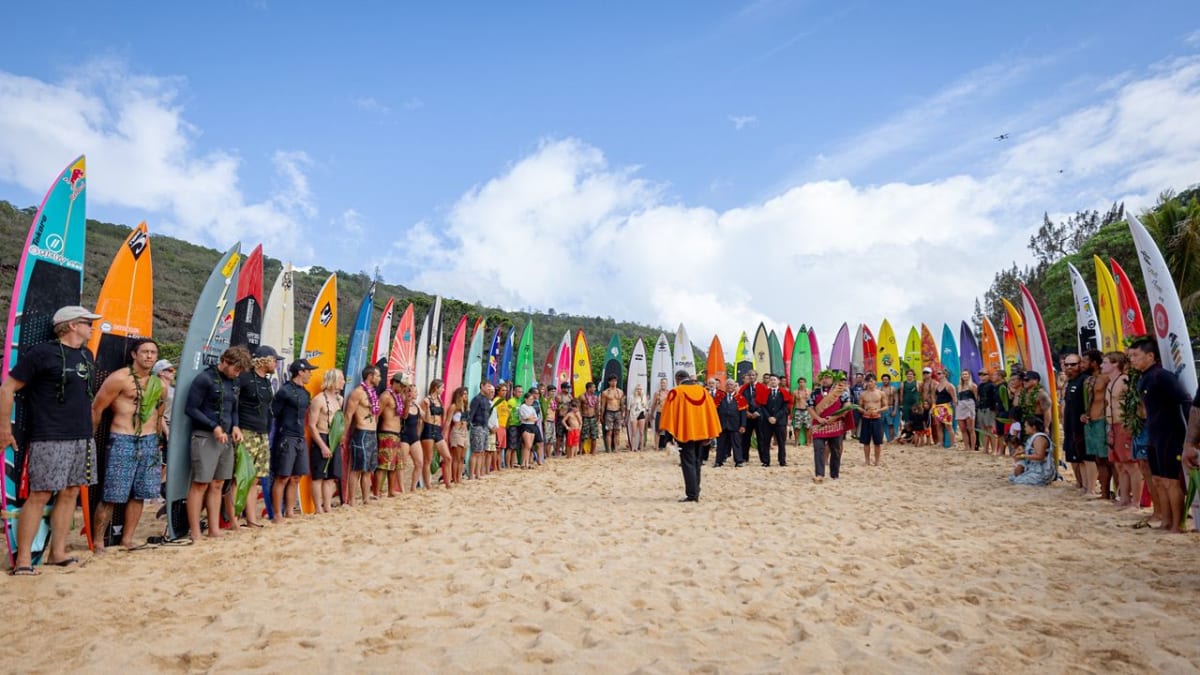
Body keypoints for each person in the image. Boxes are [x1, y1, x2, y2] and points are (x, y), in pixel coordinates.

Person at [0, 306, 101, 573]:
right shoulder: (42, 353)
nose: (92, 326)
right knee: (40, 494)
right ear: (70, 326)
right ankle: (23, 559)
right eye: (87, 322)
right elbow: (8, 387)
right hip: (49, 434)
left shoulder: (86, 354)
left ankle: (57, 552)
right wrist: (4, 429)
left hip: (81, 436)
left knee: (70, 493)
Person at [90, 337, 165, 552]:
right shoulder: (119, 379)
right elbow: (97, 408)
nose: (149, 356)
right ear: (134, 354)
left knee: (140, 493)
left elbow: (158, 416)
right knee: (112, 494)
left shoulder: (158, 384)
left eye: (153, 352)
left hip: (149, 441)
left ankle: (127, 539)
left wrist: (158, 441)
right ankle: (98, 542)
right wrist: (90, 438)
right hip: (123, 439)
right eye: (145, 352)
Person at [184, 345, 250, 541]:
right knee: (200, 483)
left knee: (218, 484)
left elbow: (234, 409)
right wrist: (214, 426)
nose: (237, 374)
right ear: (225, 362)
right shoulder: (205, 378)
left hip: (227, 437)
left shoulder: (234, 382)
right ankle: (195, 531)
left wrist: (236, 426)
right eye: (236, 369)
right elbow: (191, 408)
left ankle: (214, 529)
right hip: (205, 436)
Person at [1129, 338, 1189, 532]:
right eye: (1130, 356)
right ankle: (1165, 521)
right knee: (1157, 479)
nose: (1132, 359)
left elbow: (1186, 401)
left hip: (1170, 433)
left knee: (1171, 480)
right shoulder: (1143, 377)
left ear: (1150, 356)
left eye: (1136, 355)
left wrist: (1190, 435)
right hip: (1153, 433)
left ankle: (1177, 525)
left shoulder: (1161, 376)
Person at [660, 370, 720, 502]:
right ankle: (696, 490)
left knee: (688, 463)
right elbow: (710, 412)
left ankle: (692, 494)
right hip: (702, 432)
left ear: (677, 379)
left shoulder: (676, 392)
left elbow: (670, 415)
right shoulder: (703, 391)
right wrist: (709, 435)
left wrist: (668, 439)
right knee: (697, 462)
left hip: (685, 431)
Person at [237, 345, 278, 526]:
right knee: (241, 477)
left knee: (255, 478)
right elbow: (234, 404)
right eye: (274, 360)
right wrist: (234, 427)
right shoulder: (244, 379)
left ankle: (251, 519)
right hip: (246, 430)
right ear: (264, 360)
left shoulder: (267, 382)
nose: (276, 364)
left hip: (262, 432)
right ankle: (235, 519)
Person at [271, 358, 316, 519]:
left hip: (300, 437)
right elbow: (274, 413)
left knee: (296, 476)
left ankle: (289, 511)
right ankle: (277, 513)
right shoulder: (285, 391)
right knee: (283, 476)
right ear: (300, 372)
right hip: (286, 436)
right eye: (308, 371)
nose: (310, 374)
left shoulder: (306, 393)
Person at [1102, 352, 1140, 508]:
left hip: (1123, 424)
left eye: (1105, 362)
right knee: (1119, 464)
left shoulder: (1125, 380)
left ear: (1115, 364)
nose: (1101, 365)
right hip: (1112, 425)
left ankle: (1136, 501)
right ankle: (1124, 498)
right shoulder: (1110, 382)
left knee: (1130, 464)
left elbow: (1136, 402)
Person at [343, 366, 382, 504]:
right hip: (362, 432)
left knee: (369, 469)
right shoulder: (358, 392)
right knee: (357, 468)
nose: (380, 378)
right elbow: (348, 415)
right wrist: (344, 435)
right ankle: (352, 500)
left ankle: (366, 499)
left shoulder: (373, 393)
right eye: (377, 376)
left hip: (372, 432)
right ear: (370, 376)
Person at [307, 368, 344, 512]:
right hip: (321, 437)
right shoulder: (319, 399)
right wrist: (322, 446)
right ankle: (318, 508)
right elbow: (311, 425)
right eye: (341, 379)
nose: (343, 382)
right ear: (333, 381)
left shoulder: (338, 400)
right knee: (318, 476)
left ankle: (327, 507)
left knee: (331, 477)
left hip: (334, 438)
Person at [1080, 350, 1112, 500]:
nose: (1082, 365)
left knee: (1107, 458)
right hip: (1090, 422)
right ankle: (1104, 492)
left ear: (1093, 362)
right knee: (1097, 459)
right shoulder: (1088, 380)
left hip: (1102, 420)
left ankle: (1111, 491)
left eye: (1085, 361)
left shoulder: (1106, 378)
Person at [809, 371, 850, 483]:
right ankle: (819, 474)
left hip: (835, 424)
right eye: (823, 377)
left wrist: (834, 418)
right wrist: (818, 418)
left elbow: (846, 407)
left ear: (833, 379)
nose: (825, 380)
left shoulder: (842, 392)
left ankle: (834, 473)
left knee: (836, 450)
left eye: (827, 377)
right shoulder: (815, 392)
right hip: (819, 425)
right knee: (818, 449)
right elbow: (810, 407)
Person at [1060, 354, 1088, 492]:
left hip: (1080, 426)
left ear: (1080, 365)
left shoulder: (1084, 380)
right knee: (1071, 455)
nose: (1069, 367)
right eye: (1067, 365)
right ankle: (1079, 483)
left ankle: (1086, 485)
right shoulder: (1070, 381)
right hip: (1068, 425)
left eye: (1073, 364)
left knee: (1082, 457)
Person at [375, 373, 406, 496]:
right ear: (395, 383)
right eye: (402, 385)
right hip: (386, 433)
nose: (403, 388)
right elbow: (377, 414)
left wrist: (407, 401)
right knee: (383, 465)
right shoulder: (386, 396)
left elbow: (404, 416)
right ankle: (377, 492)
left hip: (396, 434)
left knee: (394, 465)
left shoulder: (398, 397)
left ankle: (390, 490)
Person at [420, 379, 450, 488]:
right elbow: (422, 417)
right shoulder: (426, 400)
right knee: (428, 459)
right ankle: (428, 485)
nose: (443, 389)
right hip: (428, 428)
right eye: (442, 387)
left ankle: (448, 482)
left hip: (437, 429)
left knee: (447, 457)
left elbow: (443, 416)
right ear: (435, 388)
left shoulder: (440, 401)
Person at [1009, 416, 1055, 486]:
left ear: (1033, 427)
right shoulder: (1034, 437)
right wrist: (1022, 452)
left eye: (1026, 426)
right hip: (1034, 469)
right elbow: (1033, 450)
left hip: (1041, 472)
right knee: (1012, 478)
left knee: (1018, 481)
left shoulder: (1039, 438)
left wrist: (1023, 456)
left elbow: (1040, 456)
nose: (1025, 429)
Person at [759, 374, 791, 467]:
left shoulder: (783, 392)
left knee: (781, 442)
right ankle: (766, 461)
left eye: (774, 380)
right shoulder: (766, 392)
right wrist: (769, 417)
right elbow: (762, 406)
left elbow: (785, 408)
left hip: (780, 421)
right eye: (771, 380)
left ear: (778, 381)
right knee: (766, 442)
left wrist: (776, 417)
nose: (773, 381)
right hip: (767, 421)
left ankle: (782, 460)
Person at [714, 378, 747, 467]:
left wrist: (743, 425)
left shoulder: (740, 398)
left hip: (735, 425)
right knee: (721, 445)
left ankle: (739, 461)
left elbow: (743, 414)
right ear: (725, 386)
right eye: (727, 385)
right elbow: (716, 412)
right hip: (722, 425)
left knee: (736, 444)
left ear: (734, 386)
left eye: (731, 385)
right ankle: (718, 461)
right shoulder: (720, 398)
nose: (729, 386)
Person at [399, 381, 423, 489]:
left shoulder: (417, 406)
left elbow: (424, 418)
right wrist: (408, 403)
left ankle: (413, 486)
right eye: (415, 392)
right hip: (404, 436)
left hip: (414, 436)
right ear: (409, 393)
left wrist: (427, 408)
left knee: (419, 463)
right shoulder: (403, 403)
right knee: (402, 464)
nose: (417, 394)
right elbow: (404, 416)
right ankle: (402, 488)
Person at [858, 374, 885, 466]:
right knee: (866, 441)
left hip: (877, 418)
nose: (869, 383)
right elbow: (859, 407)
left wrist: (878, 410)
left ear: (875, 382)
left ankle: (877, 461)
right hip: (866, 418)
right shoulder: (863, 394)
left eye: (871, 381)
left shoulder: (881, 393)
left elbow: (886, 406)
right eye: (868, 381)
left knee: (877, 442)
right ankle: (867, 460)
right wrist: (864, 411)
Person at [469, 382, 494, 480]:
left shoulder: (487, 400)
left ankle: (478, 473)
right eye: (487, 386)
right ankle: (471, 474)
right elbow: (471, 414)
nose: (488, 388)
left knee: (482, 451)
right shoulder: (477, 399)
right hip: (477, 426)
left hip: (485, 427)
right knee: (476, 451)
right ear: (482, 386)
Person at [447, 387, 469, 483]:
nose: (466, 396)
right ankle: (455, 478)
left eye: (466, 394)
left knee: (462, 457)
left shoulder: (466, 407)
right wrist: (444, 433)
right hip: (456, 431)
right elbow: (448, 421)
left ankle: (459, 477)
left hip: (464, 432)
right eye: (464, 394)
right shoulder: (454, 406)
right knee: (456, 457)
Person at [930, 368, 957, 448]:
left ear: (944, 375)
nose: (937, 375)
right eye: (937, 373)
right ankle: (940, 443)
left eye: (939, 373)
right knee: (938, 426)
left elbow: (954, 398)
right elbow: (934, 398)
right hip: (938, 407)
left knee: (948, 426)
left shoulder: (949, 386)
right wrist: (933, 407)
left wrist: (951, 405)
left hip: (946, 407)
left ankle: (953, 443)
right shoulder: (936, 386)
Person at [600, 375, 625, 452]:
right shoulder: (605, 393)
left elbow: (622, 404)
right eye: (612, 381)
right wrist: (601, 415)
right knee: (609, 432)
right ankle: (609, 449)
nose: (614, 382)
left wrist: (623, 414)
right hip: (609, 412)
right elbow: (603, 405)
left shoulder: (620, 392)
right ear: (609, 382)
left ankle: (616, 448)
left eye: (615, 381)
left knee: (617, 431)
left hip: (617, 412)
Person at [977, 369, 999, 454]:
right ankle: (985, 449)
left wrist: (994, 409)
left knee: (990, 429)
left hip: (990, 408)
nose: (982, 376)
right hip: (981, 407)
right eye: (980, 374)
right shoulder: (980, 386)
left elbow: (994, 398)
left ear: (989, 375)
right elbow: (979, 397)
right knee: (983, 429)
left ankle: (994, 449)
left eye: (984, 374)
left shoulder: (992, 385)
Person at [956, 370, 978, 451]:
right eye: (963, 374)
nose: (964, 376)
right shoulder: (959, 387)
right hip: (960, 406)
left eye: (966, 374)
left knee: (971, 429)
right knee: (963, 429)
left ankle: (972, 447)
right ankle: (966, 447)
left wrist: (975, 408)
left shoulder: (973, 386)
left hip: (970, 405)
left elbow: (976, 398)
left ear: (969, 375)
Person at [518, 391, 540, 469]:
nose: (531, 401)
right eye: (530, 399)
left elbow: (535, 418)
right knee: (527, 445)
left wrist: (530, 417)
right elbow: (525, 417)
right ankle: (524, 463)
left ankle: (526, 463)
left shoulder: (532, 408)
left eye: (532, 399)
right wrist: (530, 417)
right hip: (525, 426)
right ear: (526, 399)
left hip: (532, 425)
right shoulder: (523, 406)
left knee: (529, 446)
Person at [577, 382, 599, 455]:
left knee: (594, 435)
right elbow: (578, 408)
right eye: (594, 387)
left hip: (593, 418)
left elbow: (596, 409)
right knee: (583, 436)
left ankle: (593, 452)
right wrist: (579, 418)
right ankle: (580, 451)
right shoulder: (582, 396)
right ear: (589, 388)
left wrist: (597, 419)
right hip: (585, 417)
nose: (595, 389)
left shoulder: (595, 397)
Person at [505, 384, 524, 467]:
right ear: (514, 392)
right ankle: (508, 465)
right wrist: (507, 424)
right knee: (510, 447)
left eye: (521, 392)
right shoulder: (511, 401)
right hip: (512, 425)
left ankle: (512, 464)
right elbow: (507, 413)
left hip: (518, 424)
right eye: (519, 392)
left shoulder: (519, 401)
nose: (520, 393)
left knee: (515, 447)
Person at [649, 377, 670, 449]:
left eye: (664, 383)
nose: (663, 384)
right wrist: (651, 414)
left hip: (667, 414)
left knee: (668, 431)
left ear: (667, 384)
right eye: (662, 383)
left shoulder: (669, 393)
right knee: (658, 430)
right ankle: (656, 446)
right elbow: (654, 404)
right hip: (659, 412)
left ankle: (667, 446)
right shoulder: (657, 393)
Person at [628, 383, 649, 451]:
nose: (639, 390)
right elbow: (628, 408)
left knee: (641, 432)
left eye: (640, 389)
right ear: (635, 389)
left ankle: (641, 447)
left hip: (641, 414)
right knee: (634, 432)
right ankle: (633, 447)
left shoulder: (643, 397)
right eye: (637, 389)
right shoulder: (631, 397)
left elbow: (646, 406)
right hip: (633, 414)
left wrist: (643, 399)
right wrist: (627, 417)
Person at [791, 377, 810, 447]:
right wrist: (791, 412)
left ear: (805, 383)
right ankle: (796, 442)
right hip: (798, 410)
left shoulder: (808, 391)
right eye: (800, 382)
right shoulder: (795, 392)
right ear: (798, 383)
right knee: (797, 427)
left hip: (806, 410)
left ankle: (808, 441)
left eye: (803, 382)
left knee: (807, 427)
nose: (801, 383)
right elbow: (792, 403)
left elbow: (811, 402)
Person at [879, 374, 898, 443]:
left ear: (889, 380)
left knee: (891, 424)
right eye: (884, 380)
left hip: (890, 407)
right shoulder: (879, 389)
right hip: (882, 408)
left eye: (886, 380)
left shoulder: (893, 389)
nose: (885, 381)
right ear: (882, 380)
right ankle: (880, 439)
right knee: (881, 424)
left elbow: (896, 400)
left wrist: (895, 410)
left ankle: (891, 440)